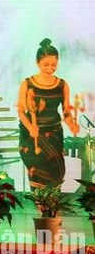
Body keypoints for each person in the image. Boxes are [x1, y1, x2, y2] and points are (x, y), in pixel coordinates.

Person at [17, 38, 78, 189]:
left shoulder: (62, 85)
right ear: (37, 63)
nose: (50, 68)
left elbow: (66, 112)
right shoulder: (27, 84)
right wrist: (30, 128)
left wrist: (72, 125)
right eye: (46, 65)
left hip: (54, 133)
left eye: (54, 65)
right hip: (31, 135)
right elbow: (20, 111)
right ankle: (42, 208)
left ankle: (51, 207)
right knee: (37, 171)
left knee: (57, 172)